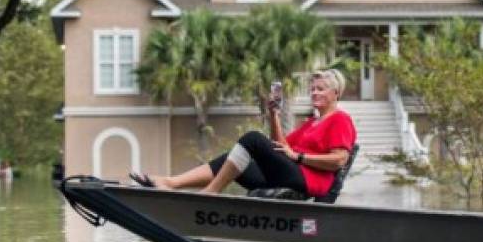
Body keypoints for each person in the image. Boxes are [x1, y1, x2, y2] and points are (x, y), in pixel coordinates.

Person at [129, 69, 357, 197]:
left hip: (308, 181)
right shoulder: (311, 123)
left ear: (336, 93)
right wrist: (274, 114)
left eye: (320, 89)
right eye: (312, 89)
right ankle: (171, 183)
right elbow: (280, 146)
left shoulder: (340, 120)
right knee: (236, 158)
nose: (314, 93)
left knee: (252, 139)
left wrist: (299, 157)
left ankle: (211, 192)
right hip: (290, 174)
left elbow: (339, 160)